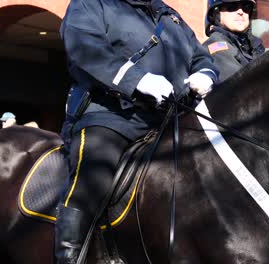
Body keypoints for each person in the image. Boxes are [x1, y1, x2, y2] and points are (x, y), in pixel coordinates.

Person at [55, 0, 218, 263]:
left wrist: (206, 73)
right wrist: (137, 80)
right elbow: (84, 48)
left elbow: (201, 56)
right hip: (112, 115)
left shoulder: (170, 15)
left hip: (168, 121)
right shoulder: (92, 4)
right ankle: (69, 257)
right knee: (92, 176)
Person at [203, 0, 265, 82]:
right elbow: (241, 86)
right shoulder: (216, 46)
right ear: (216, 13)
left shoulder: (252, 47)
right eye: (232, 7)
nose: (241, 12)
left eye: (246, 7)